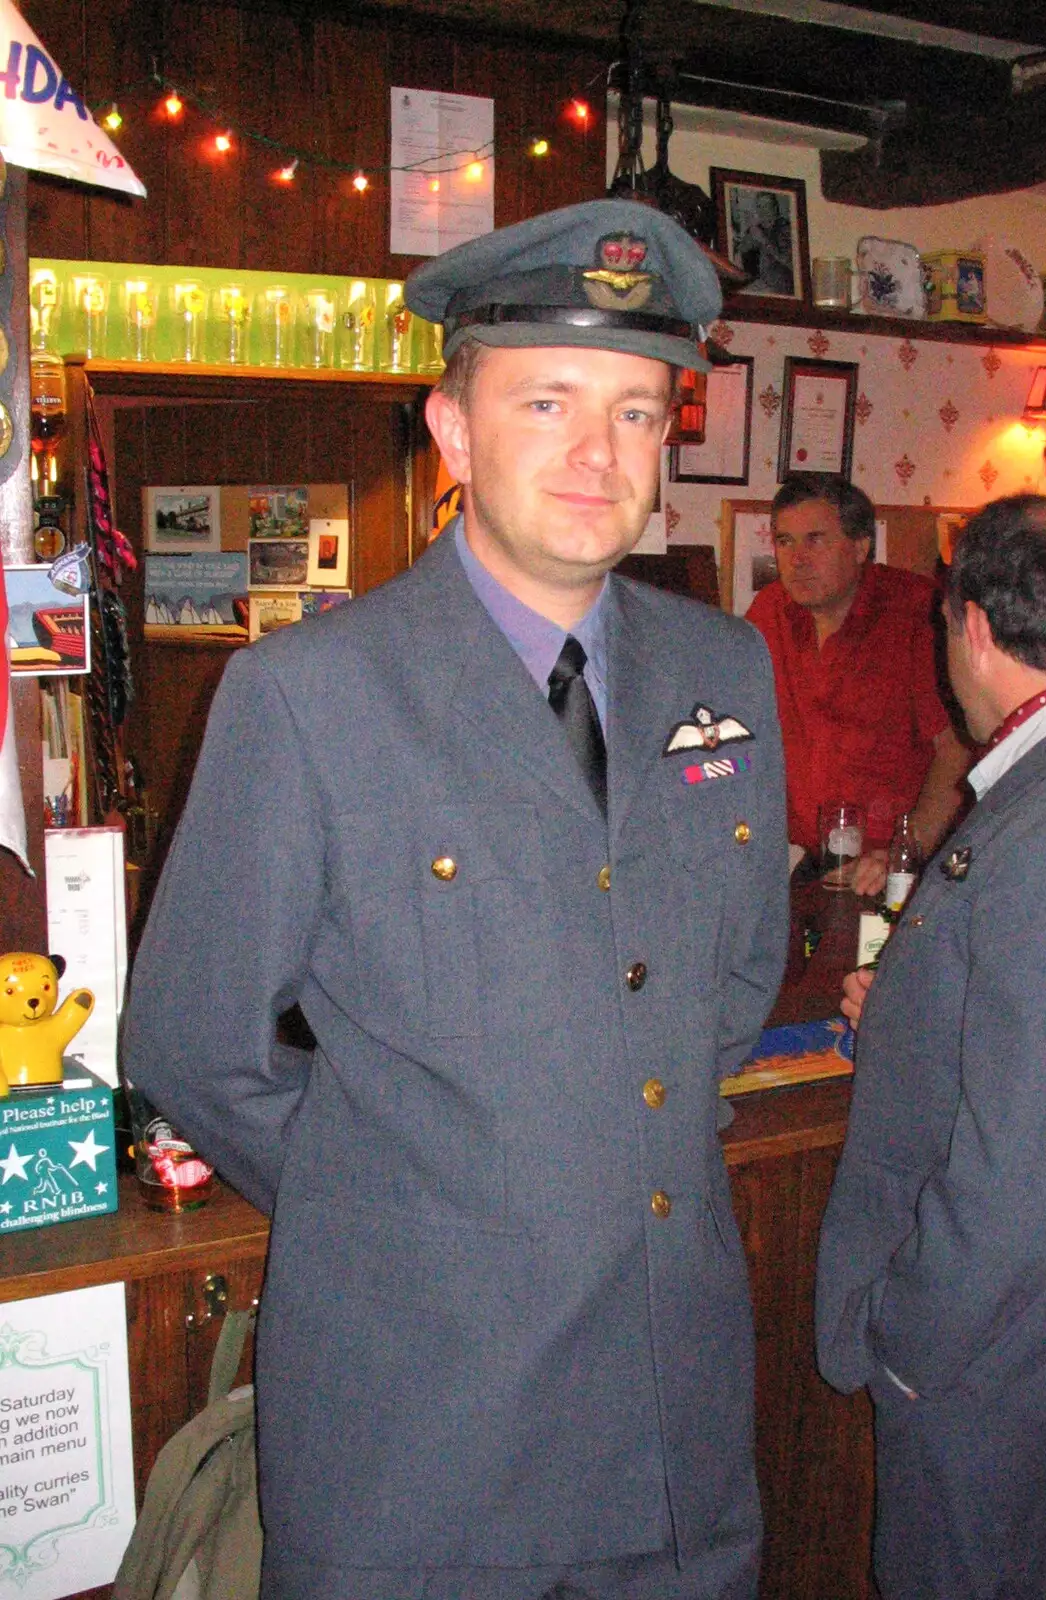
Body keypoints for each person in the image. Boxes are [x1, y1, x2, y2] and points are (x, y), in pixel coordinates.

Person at [121, 198, 789, 1600]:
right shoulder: (309, 693)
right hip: (422, 1437)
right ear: (452, 430)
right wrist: (408, 1202)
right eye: (545, 400)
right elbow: (191, 1041)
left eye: (634, 410)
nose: (596, 454)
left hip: (670, 1430)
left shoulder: (721, 670)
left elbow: (727, 987)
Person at [815, 493, 1046, 1599]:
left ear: (972, 625)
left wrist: (910, 1341)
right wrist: (925, 1012)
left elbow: (1021, 1169)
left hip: (995, 1356)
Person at [745, 473, 971, 889]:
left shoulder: (917, 614)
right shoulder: (769, 611)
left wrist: (905, 850)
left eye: (815, 540)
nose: (797, 559)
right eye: (784, 541)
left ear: (861, 546)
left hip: (898, 865)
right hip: (804, 860)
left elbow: (955, 752)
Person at [734, 190, 795, 296]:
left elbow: (789, 262)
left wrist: (763, 240)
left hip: (781, 287)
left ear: (775, 208)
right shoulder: (757, 228)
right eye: (759, 207)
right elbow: (740, 251)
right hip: (761, 283)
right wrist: (744, 240)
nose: (763, 211)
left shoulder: (784, 228)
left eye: (766, 206)